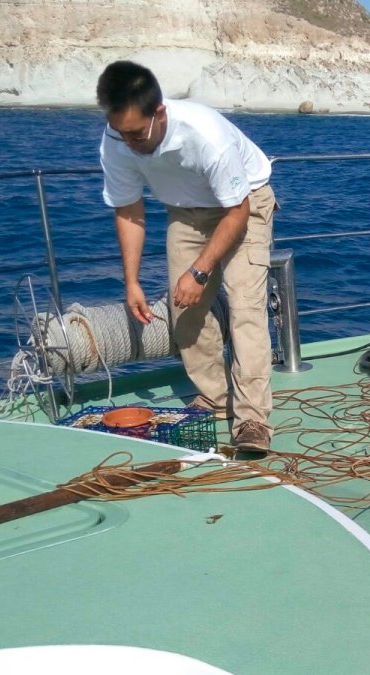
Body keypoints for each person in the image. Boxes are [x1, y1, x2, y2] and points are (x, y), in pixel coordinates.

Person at [95, 60, 277, 454]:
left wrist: (199, 272)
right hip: (186, 212)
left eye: (136, 134)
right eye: (121, 132)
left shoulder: (206, 135)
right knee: (184, 310)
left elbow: (238, 211)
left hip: (244, 203)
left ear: (159, 112)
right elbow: (129, 209)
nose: (130, 143)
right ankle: (215, 396)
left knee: (245, 309)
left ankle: (252, 420)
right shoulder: (116, 141)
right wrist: (132, 282)